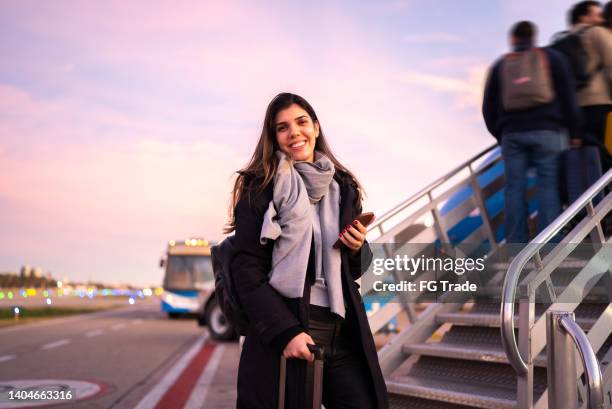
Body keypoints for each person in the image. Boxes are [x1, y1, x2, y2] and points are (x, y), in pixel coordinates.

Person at [226, 92, 388, 409]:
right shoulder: (259, 188)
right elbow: (246, 271)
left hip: (341, 330)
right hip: (290, 329)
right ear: (274, 138)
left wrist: (357, 248)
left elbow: (353, 271)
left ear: (315, 127)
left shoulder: (342, 187)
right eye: (282, 127)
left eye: (301, 122)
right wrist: (286, 333)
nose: (294, 133)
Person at [482, 21, 582, 243]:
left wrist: (501, 134)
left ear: (513, 39)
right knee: (548, 185)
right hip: (549, 131)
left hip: (512, 135)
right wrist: (574, 131)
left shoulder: (500, 66)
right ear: (533, 37)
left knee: (514, 188)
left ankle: (516, 245)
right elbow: (568, 96)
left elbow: (488, 107)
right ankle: (548, 244)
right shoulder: (552, 58)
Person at [569, 1, 612, 152]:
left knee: (591, 155)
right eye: (598, 15)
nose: (602, 19)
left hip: (575, 108)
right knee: (608, 152)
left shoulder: (565, 39)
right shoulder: (597, 32)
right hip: (600, 104)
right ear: (584, 17)